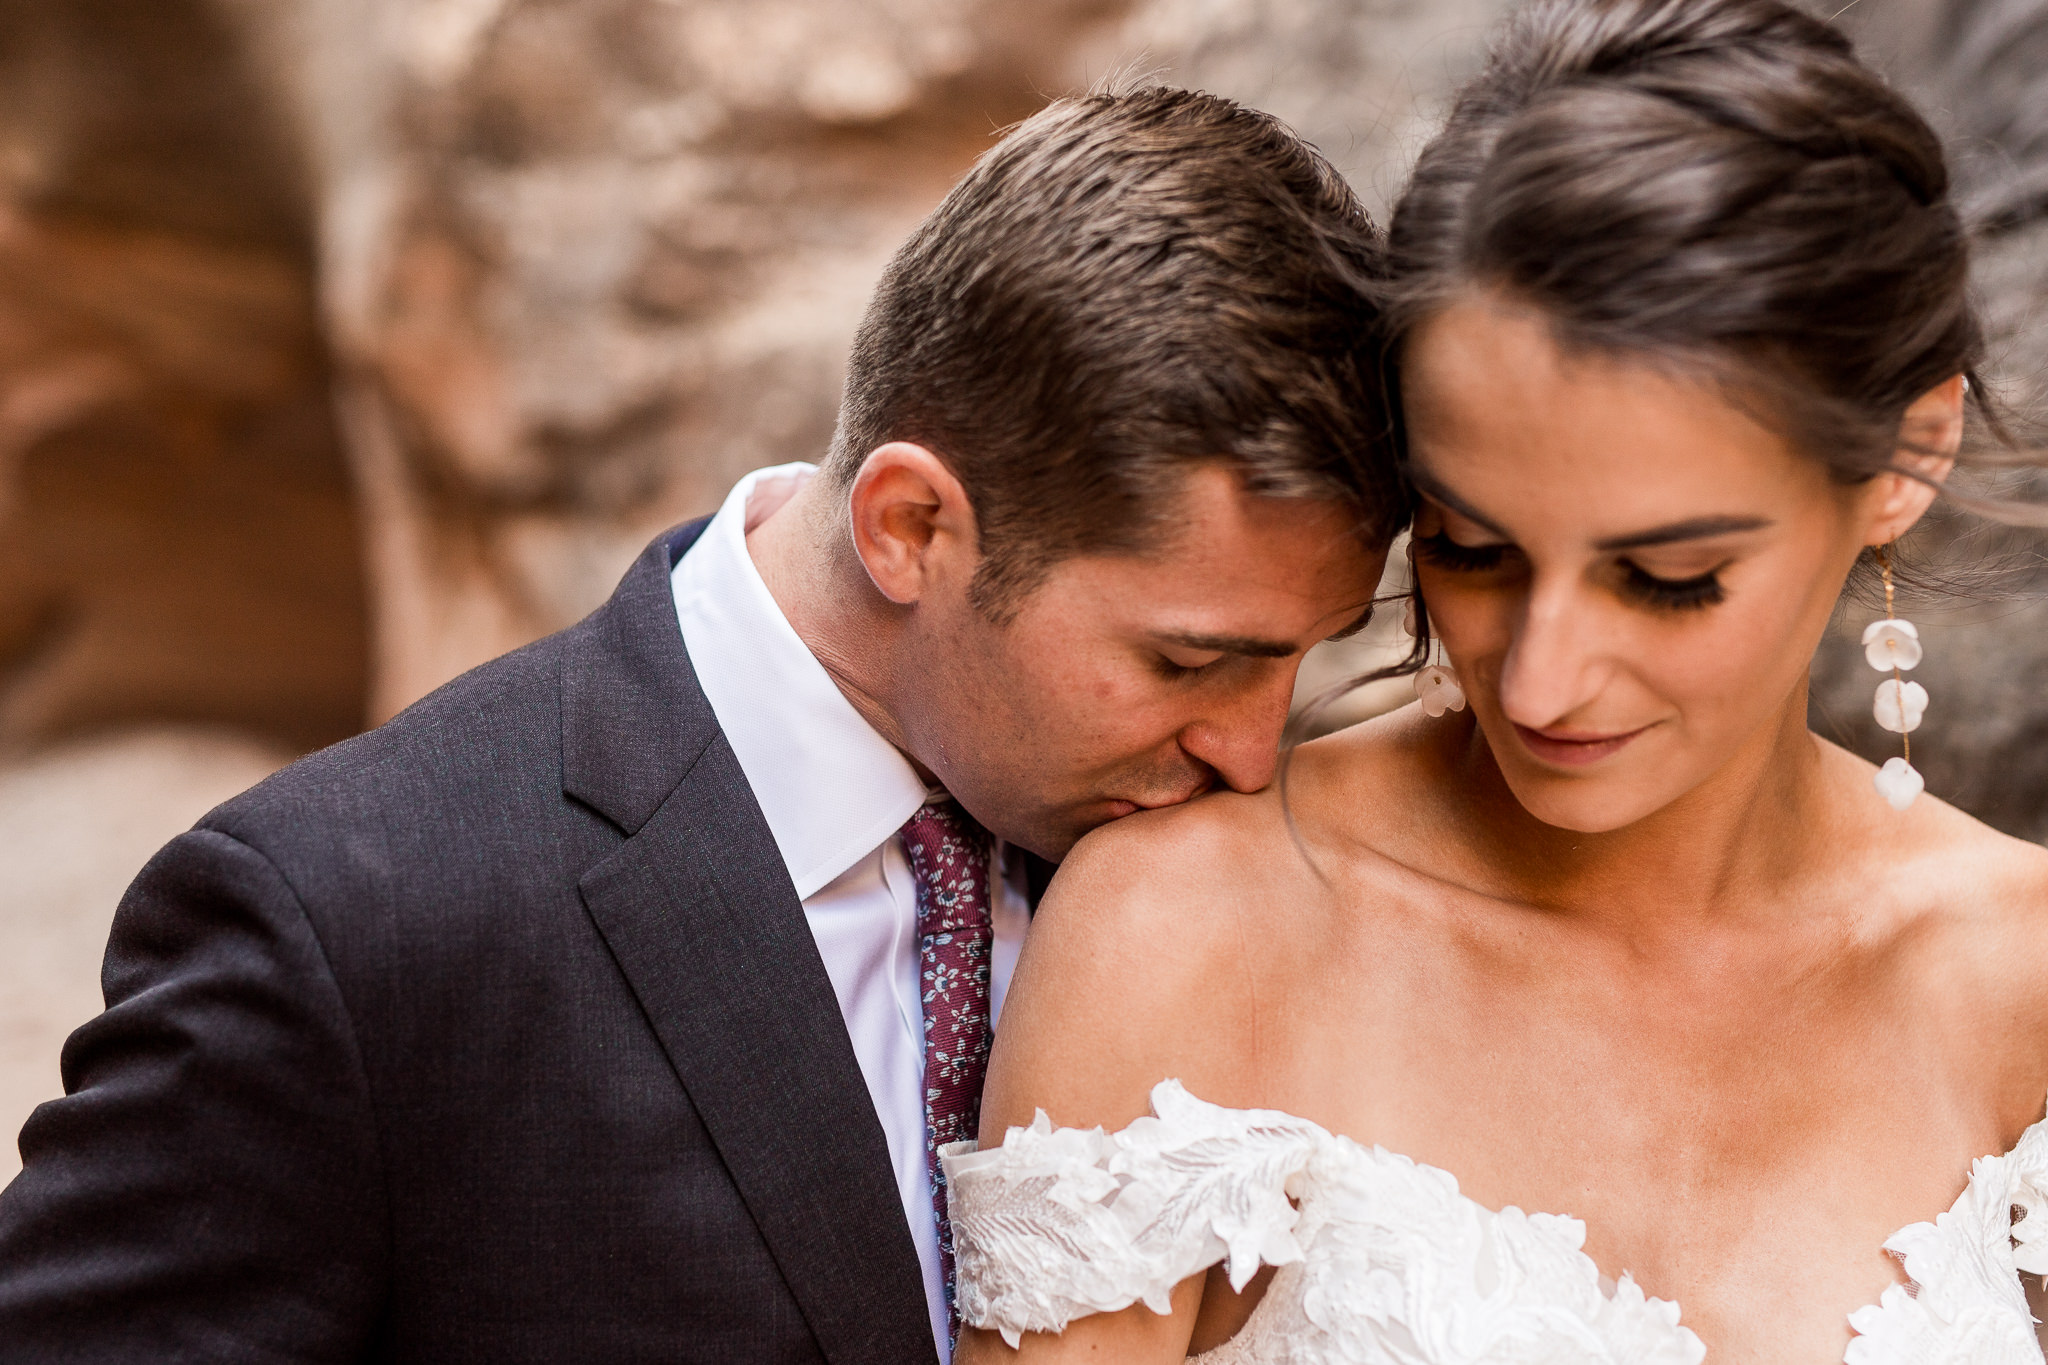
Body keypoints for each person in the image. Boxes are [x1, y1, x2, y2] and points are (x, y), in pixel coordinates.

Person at [0, 89, 1402, 1364]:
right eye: (1188, 660)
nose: (1250, 748)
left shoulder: (1246, 874)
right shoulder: (353, 920)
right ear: (912, 526)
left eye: (1298, 660)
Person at [948, 2, 2048, 1362]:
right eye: (1470, 550)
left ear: (1904, 458)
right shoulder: (1193, 934)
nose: (1539, 679)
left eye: (1667, 574)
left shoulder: (2019, 981)